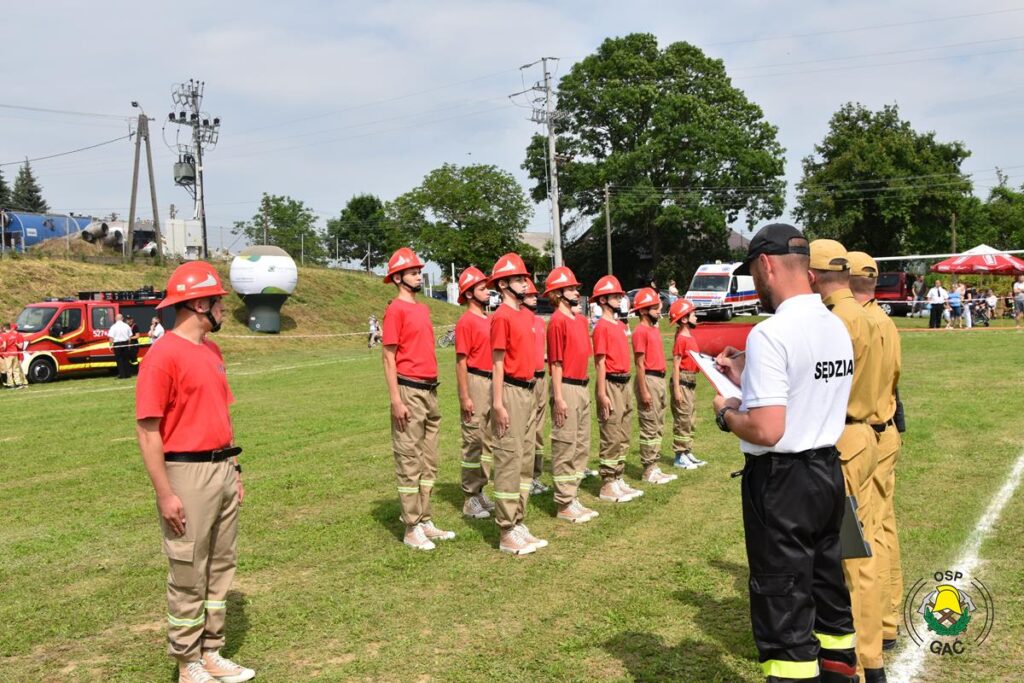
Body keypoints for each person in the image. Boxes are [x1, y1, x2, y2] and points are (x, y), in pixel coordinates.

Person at [713, 223, 859, 683]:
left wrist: (727, 412)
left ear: (767, 265)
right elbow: (806, 389)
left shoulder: (771, 333)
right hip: (827, 472)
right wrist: (748, 377)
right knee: (828, 592)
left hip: (783, 483)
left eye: (754, 271)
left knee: (784, 606)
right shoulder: (834, 325)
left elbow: (768, 428)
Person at [135, 261, 255, 683]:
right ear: (200, 303)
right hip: (185, 474)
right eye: (218, 300)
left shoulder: (212, 351)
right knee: (188, 570)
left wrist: (234, 469)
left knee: (221, 565)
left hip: (221, 468)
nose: (223, 308)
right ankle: (188, 663)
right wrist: (165, 493)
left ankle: (212, 652)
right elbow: (148, 430)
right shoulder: (162, 355)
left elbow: (222, 414)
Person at [809, 239, 886, 681]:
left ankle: (857, 661)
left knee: (848, 559)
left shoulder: (838, 320)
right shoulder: (867, 315)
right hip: (868, 433)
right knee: (864, 552)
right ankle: (872, 657)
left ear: (814, 275)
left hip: (845, 437)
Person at [847, 251, 905, 654]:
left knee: (862, 534)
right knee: (883, 527)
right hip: (886, 430)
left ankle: (874, 623)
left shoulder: (858, 323)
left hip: (863, 433)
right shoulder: (884, 319)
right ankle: (887, 619)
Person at [381, 247, 455, 551]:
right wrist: (396, 399)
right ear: (398, 277)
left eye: (418, 270)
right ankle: (411, 527)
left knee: (429, 460)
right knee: (409, 460)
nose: (418, 275)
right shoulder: (395, 310)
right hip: (409, 391)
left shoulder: (423, 309)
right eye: (412, 272)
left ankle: (425, 519)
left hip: (430, 390)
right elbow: (388, 358)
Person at [488, 252, 548, 554]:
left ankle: (519, 520)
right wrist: (497, 404)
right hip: (510, 391)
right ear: (502, 285)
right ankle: (506, 528)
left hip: (528, 390)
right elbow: (497, 364)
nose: (525, 283)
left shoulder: (525, 316)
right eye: (518, 279)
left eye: (524, 278)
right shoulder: (501, 317)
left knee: (525, 459)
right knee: (509, 460)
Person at [545, 266, 599, 524]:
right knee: (565, 443)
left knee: (581, 443)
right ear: (558, 294)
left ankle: (573, 494)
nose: (576, 291)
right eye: (571, 288)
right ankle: (564, 501)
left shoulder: (579, 320)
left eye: (576, 288)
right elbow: (555, 363)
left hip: (582, 385)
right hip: (565, 385)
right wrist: (559, 398)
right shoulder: (556, 321)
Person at [592, 275, 643, 503]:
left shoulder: (621, 325)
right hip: (611, 383)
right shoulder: (601, 327)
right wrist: (602, 393)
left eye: (619, 295)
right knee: (611, 432)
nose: (619, 299)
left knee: (623, 433)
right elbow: (600, 362)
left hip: (625, 383)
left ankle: (618, 476)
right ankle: (607, 482)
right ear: (602, 300)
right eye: (614, 296)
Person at [454, 266, 497, 520]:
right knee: (473, 441)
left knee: (488, 441)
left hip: (493, 381)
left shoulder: (489, 319)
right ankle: (470, 497)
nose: (487, 291)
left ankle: (480, 490)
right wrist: (464, 396)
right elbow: (461, 362)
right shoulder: (465, 322)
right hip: (476, 381)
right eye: (481, 288)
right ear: (469, 294)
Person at [630, 286, 679, 485]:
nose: (659, 310)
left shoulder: (652, 329)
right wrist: (643, 390)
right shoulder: (640, 331)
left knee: (658, 424)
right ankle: (648, 468)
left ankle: (655, 465)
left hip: (658, 379)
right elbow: (639, 363)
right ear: (642, 311)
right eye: (653, 307)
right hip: (648, 379)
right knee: (649, 425)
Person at [521, 278, 551, 496]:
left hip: (542, 377)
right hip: (526, 379)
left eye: (534, 295)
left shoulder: (540, 322)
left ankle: (535, 475)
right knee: (526, 429)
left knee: (539, 430)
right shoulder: (518, 320)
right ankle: (524, 476)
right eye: (530, 295)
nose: (534, 297)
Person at [669, 299, 705, 469]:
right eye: (693, 314)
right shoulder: (681, 339)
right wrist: (677, 389)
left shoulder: (690, 336)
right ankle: (679, 456)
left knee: (690, 419)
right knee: (682, 419)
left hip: (690, 382)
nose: (696, 317)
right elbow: (675, 365)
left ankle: (687, 451)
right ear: (684, 319)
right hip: (682, 382)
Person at [2, 322, 28, 389]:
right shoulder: (14, 335)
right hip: (15, 354)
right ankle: (19, 383)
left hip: (10, 354)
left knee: (11, 370)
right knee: (16, 369)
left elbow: (5, 346)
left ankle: (13, 384)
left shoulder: (6, 335)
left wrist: (2, 349)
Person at [108, 313, 135, 379]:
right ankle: (128, 374)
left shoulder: (113, 327)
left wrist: (110, 345)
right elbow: (129, 337)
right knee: (126, 359)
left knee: (119, 360)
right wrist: (128, 344)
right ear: (122, 318)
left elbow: (111, 338)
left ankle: (122, 375)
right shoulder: (127, 326)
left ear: (115, 319)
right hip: (125, 343)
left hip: (117, 344)